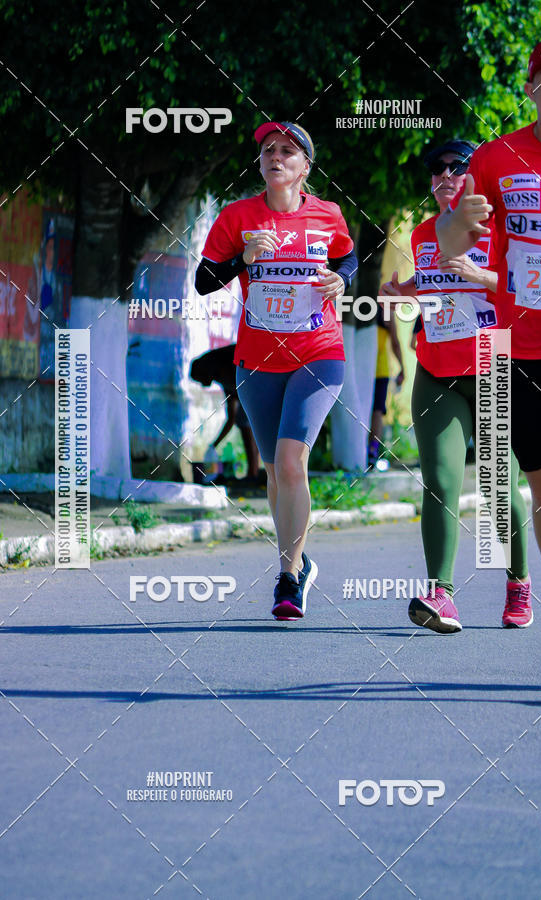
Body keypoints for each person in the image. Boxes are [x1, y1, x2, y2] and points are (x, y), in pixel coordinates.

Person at [437, 34, 541, 691]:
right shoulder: (497, 159)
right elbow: (449, 245)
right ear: (530, 87)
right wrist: (456, 221)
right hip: (517, 348)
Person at [195, 122, 357, 620]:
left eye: (288, 151)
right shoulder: (238, 216)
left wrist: (341, 279)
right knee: (273, 471)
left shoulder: (327, 215)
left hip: (319, 354)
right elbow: (204, 281)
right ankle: (301, 561)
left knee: (291, 463)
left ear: (305, 167)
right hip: (257, 361)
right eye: (268, 149)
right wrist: (241, 258)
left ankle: (287, 577)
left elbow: (348, 257)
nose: (276, 157)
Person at [383, 138, 531, 633]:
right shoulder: (425, 233)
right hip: (437, 370)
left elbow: (531, 285)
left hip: (493, 363)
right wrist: (398, 291)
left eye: (457, 167)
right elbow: (428, 284)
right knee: (441, 483)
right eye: (437, 170)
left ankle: (518, 582)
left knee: (498, 486)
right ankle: (441, 594)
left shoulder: (502, 228)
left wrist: (479, 273)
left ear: (474, 177)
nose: (446, 175)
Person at [190, 344, 260, 481]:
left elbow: (239, 415)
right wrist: (214, 445)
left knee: (245, 422)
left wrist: (214, 445)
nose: (202, 384)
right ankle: (254, 472)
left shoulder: (226, 368)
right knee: (243, 421)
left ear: (204, 372)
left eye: (200, 379)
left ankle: (254, 473)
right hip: (250, 382)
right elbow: (231, 419)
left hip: (258, 376)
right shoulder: (221, 375)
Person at [368, 308, 404, 466]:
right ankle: (372, 450)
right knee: (377, 411)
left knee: (364, 409)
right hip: (380, 369)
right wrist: (403, 368)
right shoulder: (385, 311)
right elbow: (395, 343)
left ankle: (366, 450)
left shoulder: (355, 304)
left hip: (359, 370)